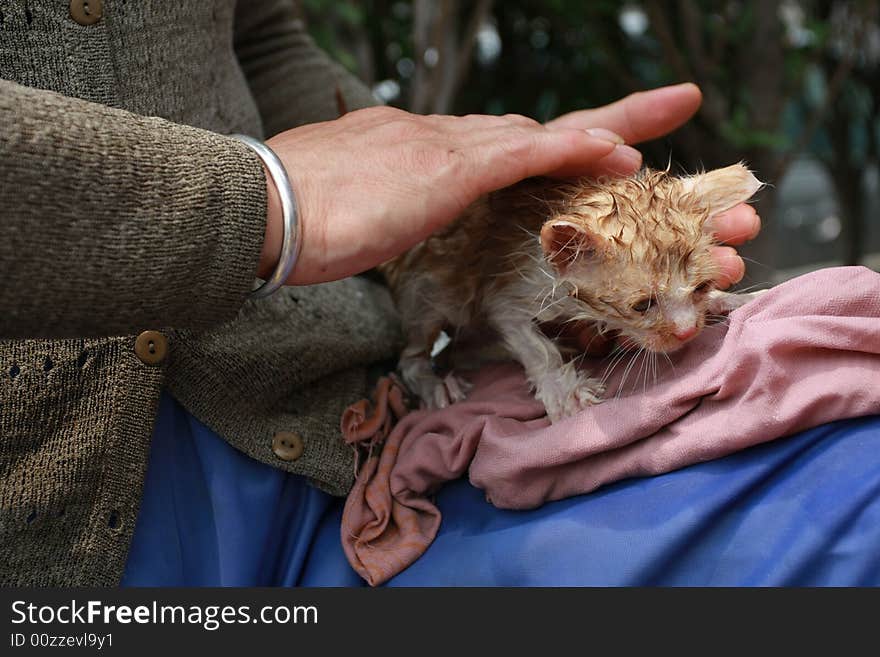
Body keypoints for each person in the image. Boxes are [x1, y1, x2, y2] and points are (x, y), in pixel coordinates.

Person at [0, 0, 758, 586]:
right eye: (651, 306)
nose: (681, 324)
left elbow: (260, 39)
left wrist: (437, 159)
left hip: (329, 407)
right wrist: (268, 201)